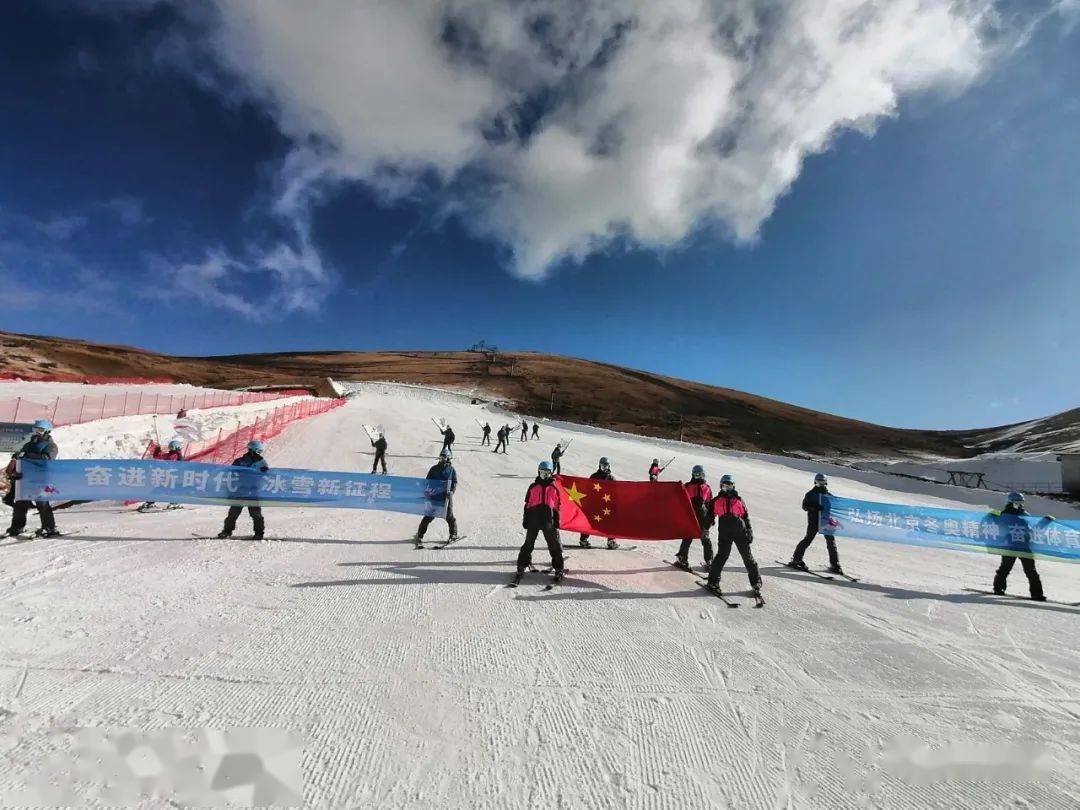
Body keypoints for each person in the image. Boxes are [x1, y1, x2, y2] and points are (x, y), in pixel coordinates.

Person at [705, 474, 761, 594]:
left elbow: (745, 517)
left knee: (747, 557)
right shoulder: (716, 501)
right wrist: (705, 529)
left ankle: (756, 582)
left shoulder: (739, 500)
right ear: (721, 486)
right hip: (725, 533)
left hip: (740, 532)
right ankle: (713, 581)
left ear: (733, 486)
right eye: (725, 486)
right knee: (722, 556)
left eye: (729, 486)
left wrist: (749, 530)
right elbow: (709, 516)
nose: (727, 489)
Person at [4, 419, 60, 538]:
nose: (37, 432)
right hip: (25, 478)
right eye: (35, 429)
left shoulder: (51, 445)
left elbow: (47, 459)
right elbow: (21, 456)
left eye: (40, 430)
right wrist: (16, 458)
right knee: (20, 503)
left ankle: (49, 528)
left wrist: (27, 455)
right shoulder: (29, 444)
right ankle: (17, 527)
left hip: (40, 478)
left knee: (42, 503)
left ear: (47, 431)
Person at [515, 461, 565, 582]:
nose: (544, 475)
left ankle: (559, 568)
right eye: (542, 472)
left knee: (554, 545)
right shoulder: (533, 487)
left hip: (548, 521)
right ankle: (522, 565)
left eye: (546, 473)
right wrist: (526, 519)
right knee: (528, 544)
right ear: (538, 472)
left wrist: (556, 521)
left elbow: (557, 506)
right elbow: (527, 505)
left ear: (550, 473)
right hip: (534, 520)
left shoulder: (553, 488)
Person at [992, 492, 1045, 601]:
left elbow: (1032, 530)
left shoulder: (1025, 514)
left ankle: (1037, 594)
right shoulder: (1005, 514)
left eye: (1021, 502)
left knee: (1031, 570)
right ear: (1011, 502)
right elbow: (1003, 526)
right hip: (1010, 546)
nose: (1019, 504)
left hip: (1024, 546)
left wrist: (1044, 522)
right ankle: (998, 588)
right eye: (1017, 502)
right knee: (1005, 568)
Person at [787, 473, 843, 575]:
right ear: (815, 482)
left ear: (826, 483)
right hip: (814, 521)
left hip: (826, 522)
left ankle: (835, 564)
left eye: (822, 482)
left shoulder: (829, 496)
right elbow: (804, 506)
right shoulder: (810, 494)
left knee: (831, 542)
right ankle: (796, 559)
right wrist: (814, 507)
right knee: (808, 539)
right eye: (818, 482)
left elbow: (835, 508)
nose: (820, 484)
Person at [217, 440, 269, 539]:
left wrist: (264, 472)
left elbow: (266, 478)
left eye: (261, 452)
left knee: (256, 514)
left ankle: (259, 533)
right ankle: (227, 531)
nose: (259, 454)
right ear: (251, 450)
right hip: (240, 491)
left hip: (253, 492)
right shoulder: (239, 461)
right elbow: (231, 475)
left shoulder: (261, 462)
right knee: (233, 513)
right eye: (258, 451)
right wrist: (230, 490)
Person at [674, 465, 713, 569]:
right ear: (692, 475)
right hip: (691, 516)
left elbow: (710, 504)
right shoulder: (687, 486)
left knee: (705, 539)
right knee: (687, 538)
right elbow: (680, 500)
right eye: (695, 475)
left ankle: (709, 561)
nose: (698, 477)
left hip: (703, 518)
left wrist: (711, 519)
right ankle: (682, 559)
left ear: (703, 475)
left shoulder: (707, 488)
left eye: (700, 475)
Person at [415, 449, 459, 542]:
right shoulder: (434, 469)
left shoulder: (451, 470)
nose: (441, 458)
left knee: (449, 516)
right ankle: (420, 535)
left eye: (444, 457)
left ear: (448, 458)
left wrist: (451, 492)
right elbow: (427, 481)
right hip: (434, 496)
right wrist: (427, 490)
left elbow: (454, 482)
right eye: (441, 456)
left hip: (446, 497)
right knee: (429, 516)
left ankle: (453, 534)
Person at [579, 456, 620, 549]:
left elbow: (615, 493)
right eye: (602, 466)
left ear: (609, 466)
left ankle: (611, 541)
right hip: (595, 504)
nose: (604, 468)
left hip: (607, 505)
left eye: (606, 466)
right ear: (599, 466)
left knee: (610, 521)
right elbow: (588, 489)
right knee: (590, 521)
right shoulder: (594, 476)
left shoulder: (611, 478)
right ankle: (583, 539)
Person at [139, 439, 185, 512]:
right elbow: (180, 462)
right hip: (172, 477)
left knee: (159, 489)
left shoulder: (168, 455)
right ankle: (173, 503)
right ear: (177, 448)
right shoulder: (176, 455)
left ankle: (149, 503)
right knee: (173, 490)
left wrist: (157, 450)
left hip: (165, 476)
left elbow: (156, 456)